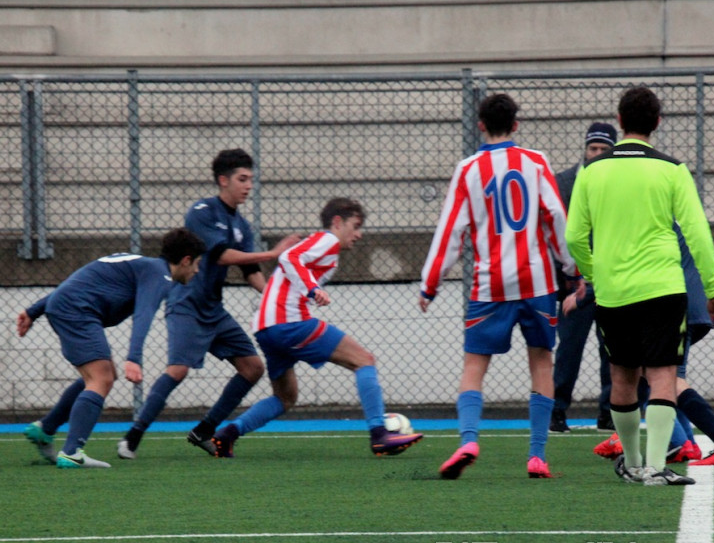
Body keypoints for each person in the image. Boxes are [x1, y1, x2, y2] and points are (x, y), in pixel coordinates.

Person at [565, 85, 714, 486]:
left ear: (620, 122)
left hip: (614, 291)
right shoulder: (671, 169)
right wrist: (713, 289)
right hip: (662, 288)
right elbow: (697, 234)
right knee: (662, 376)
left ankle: (634, 463)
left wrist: (592, 275)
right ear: (657, 123)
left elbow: (573, 237)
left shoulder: (593, 170)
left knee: (622, 377)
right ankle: (656, 466)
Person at [418, 92, 583, 480]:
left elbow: (451, 232)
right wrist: (572, 268)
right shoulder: (536, 162)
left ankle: (469, 440)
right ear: (516, 125)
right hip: (537, 280)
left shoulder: (468, 169)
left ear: (480, 126)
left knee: (474, 366)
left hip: (490, 284)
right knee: (541, 361)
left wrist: (430, 283)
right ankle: (537, 455)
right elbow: (556, 218)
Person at [117, 149, 300, 460]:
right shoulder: (201, 212)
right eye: (242, 179)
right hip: (187, 303)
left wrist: (276, 297)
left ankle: (205, 430)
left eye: (251, 180)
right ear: (223, 180)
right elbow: (220, 255)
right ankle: (132, 437)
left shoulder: (242, 224)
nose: (248, 186)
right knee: (177, 370)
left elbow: (250, 272)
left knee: (253, 368)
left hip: (214, 309)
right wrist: (272, 254)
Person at [211, 197, 423, 457]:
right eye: (355, 226)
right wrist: (313, 289)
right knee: (364, 360)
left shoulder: (326, 247)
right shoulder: (327, 240)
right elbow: (289, 256)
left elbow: (292, 265)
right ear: (337, 222)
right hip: (289, 322)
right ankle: (380, 435)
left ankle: (227, 434)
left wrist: (309, 288)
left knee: (285, 398)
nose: (359, 234)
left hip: (267, 327)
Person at [18, 227, 205, 468]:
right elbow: (144, 314)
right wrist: (134, 358)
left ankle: (46, 429)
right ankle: (72, 452)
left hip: (68, 306)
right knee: (102, 378)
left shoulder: (143, 264)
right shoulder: (161, 276)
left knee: (101, 375)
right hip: (78, 311)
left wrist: (34, 310)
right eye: (197, 264)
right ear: (186, 260)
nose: (197, 270)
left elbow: (76, 281)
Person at [592, 227, 714, 466]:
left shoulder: (651, 218)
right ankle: (683, 443)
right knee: (655, 376)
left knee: (665, 380)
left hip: (674, 306)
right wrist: (712, 292)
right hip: (692, 305)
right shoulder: (672, 213)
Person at [550, 122, 617, 434]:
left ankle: (609, 412)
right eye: (593, 148)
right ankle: (556, 410)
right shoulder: (562, 182)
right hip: (573, 283)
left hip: (611, 281)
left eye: (604, 149)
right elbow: (552, 231)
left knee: (612, 351)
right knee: (569, 348)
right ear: (585, 149)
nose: (597, 154)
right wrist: (565, 276)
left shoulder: (620, 183)